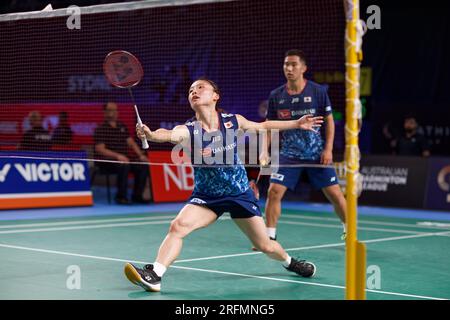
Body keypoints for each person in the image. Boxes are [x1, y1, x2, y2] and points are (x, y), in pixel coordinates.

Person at [124, 77, 323, 292]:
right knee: (178, 226)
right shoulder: (189, 129)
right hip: (208, 197)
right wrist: (152, 134)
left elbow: (264, 125)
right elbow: (169, 134)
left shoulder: (232, 120)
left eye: (200, 88)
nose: (194, 92)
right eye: (191, 90)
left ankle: (290, 262)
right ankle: (155, 275)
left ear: (215, 96)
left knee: (265, 245)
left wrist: (297, 123)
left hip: (239, 194)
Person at [260, 49, 347, 243]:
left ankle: (349, 230)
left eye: (293, 64)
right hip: (289, 154)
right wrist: (264, 151)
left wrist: (328, 149)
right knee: (273, 192)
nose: (289, 68)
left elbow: (330, 121)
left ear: (303, 68)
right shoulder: (276, 95)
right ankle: (269, 237)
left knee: (334, 193)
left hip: (316, 153)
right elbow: (269, 126)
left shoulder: (318, 91)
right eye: (286, 65)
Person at [94, 102, 149, 204]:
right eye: (110, 110)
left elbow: (131, 142)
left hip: (124, 159)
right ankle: (121, 197)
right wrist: (118, 156)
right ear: (105, 112)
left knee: (142, 166)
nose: (113, 113)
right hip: (106, 162)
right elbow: (100, 149)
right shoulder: (100, 129)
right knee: (124, 165)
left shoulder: (121, 126)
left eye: (115, 110)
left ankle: (137, 196)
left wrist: (141, 155)